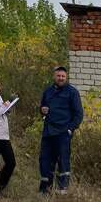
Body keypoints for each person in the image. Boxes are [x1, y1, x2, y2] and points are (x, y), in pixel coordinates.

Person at [38, 66, 83, 195]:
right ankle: (45, 190)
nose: (61, 78)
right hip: (48, 132)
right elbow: (42, 108)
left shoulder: (72, 92)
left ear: (66, 77)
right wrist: (42, 110)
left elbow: (78, 114)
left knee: (63, 162)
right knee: (45, 161)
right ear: (54, 76)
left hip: (63, 133)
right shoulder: (48, 92)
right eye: (58, 76)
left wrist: (70, 129)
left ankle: (62, 190)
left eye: (63, 76)